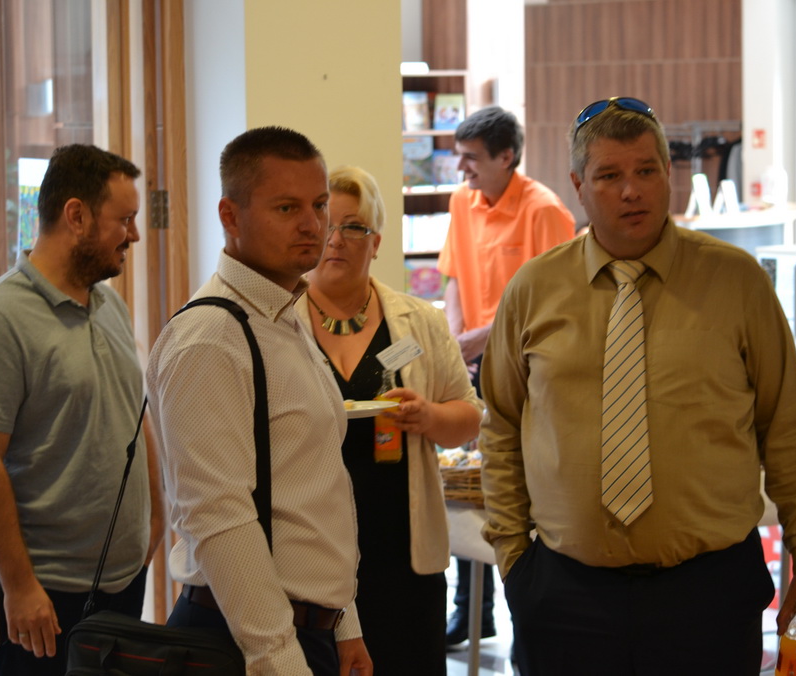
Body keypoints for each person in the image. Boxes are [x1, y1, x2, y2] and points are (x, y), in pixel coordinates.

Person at [479, 97, 796, 675]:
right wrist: (516, 562)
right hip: (565, 597)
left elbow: (788, 427)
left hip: (709, 594)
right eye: (609, 175)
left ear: (668, 173)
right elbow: (500, 427)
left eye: (646, 170)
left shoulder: (737, 282)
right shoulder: (533, 290)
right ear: (578, 184)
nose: (631, 191)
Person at [146, 127, 372, 675]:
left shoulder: (280, 316)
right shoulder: (211, 338)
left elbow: (312, 490)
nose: (313, 225)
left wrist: (344, 624)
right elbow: (218, 517)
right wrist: (280, 661)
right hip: (244, 640)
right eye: (287, 208)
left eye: (319, 205)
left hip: (306, 630)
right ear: (231, 215)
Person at [0, 144, 164, 676]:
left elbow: (132, 413)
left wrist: (157, 517)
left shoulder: (109, 304)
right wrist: (20, 586)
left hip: (120, 581)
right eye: (125, 220)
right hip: (43, 596)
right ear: (76, 216)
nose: (135, 235)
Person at [295, 165, 483, 674]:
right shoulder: (278, 322)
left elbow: (469, 417)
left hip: (403, 557)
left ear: (376, 242)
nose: (337, 240)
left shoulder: (419, 322)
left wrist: (428, 416)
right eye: (327, 225)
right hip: (309, 559)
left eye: (354, 227)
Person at [436, 104, 576, 646]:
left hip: (528, 371)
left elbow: (552, 301)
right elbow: (453, 274)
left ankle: (528, 622)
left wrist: (477, 338)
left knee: (521, 490)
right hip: (473, 364)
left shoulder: (545, 210)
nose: (461, 168)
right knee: (471, 484)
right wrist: (455, 337)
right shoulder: (462, 201)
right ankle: (471, 610)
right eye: (459, 156)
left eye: (471, 158)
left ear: (506, 157)